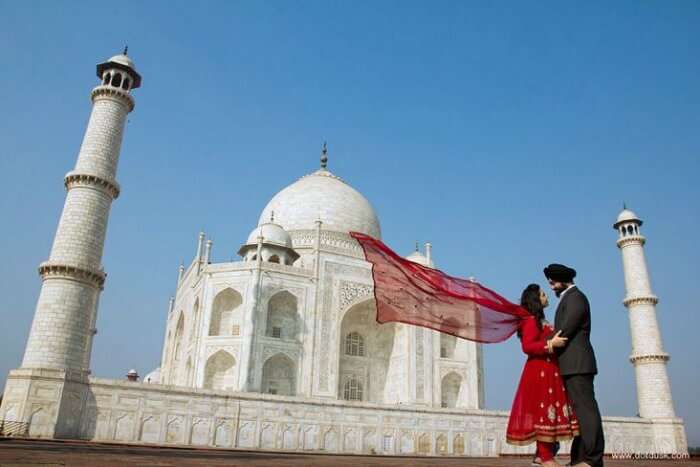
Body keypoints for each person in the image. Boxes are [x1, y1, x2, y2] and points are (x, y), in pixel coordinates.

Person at [507, 284, 580, 467]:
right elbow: (527, 346)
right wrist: (551, 343)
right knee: (543, 412)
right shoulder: (531, 320)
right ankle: (546, 457)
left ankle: (542, 456)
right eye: (542, 294)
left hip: (549, 370)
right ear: (535, 299)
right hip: (539, 371)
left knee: (548, 412)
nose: (546, 296)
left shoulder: (541, 320)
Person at [544, 263, 605, 467]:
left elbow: (567, 328)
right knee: (579, 414)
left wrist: (544, 343)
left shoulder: (576, 298)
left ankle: (592, 459)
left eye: (553, 283)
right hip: (571, 364)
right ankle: (579, 458)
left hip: (578, 363)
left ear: (562, 280)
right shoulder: (569, 298)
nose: (551, 287)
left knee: (586, 411)